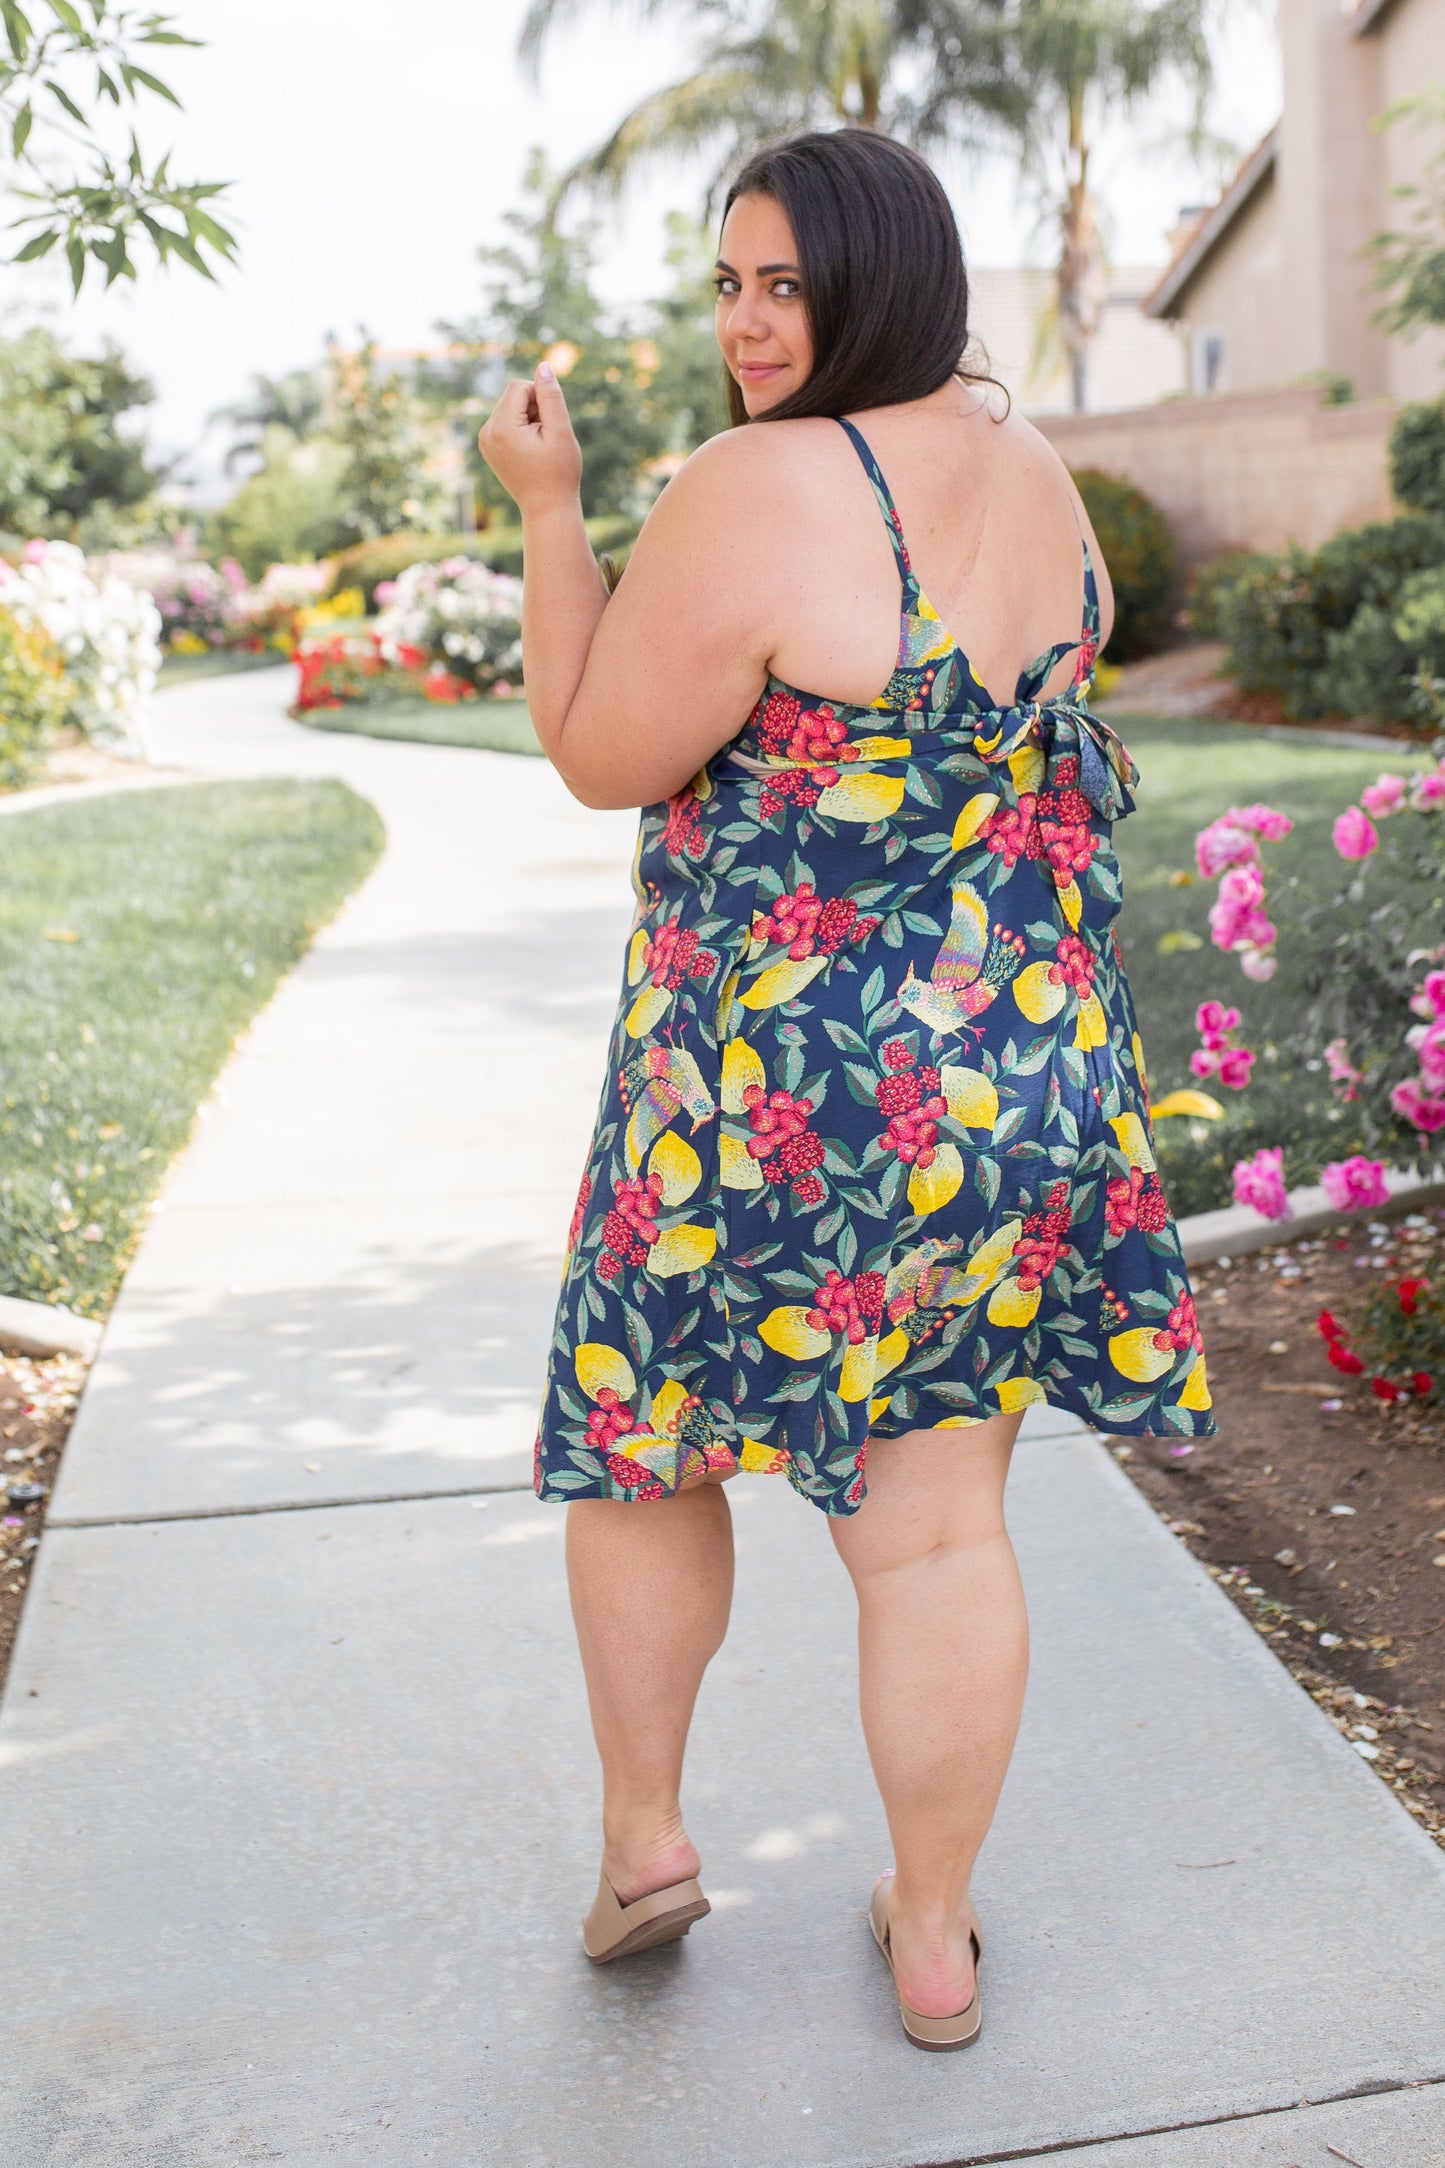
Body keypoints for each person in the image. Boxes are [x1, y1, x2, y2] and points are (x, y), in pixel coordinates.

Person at [478, 127, 1214, 2051]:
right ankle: (936, 1934)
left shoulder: (753, 488)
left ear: (880, 277)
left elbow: (599, 754)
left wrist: (550, 514)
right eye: (723, 282)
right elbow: (1046, 687)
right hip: (1007, 1085)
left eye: (782, 283)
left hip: (772, 1094)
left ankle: (646, 1842)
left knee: (648, 1455)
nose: (742, 322)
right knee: (944, 1530)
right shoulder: (1037, 475)